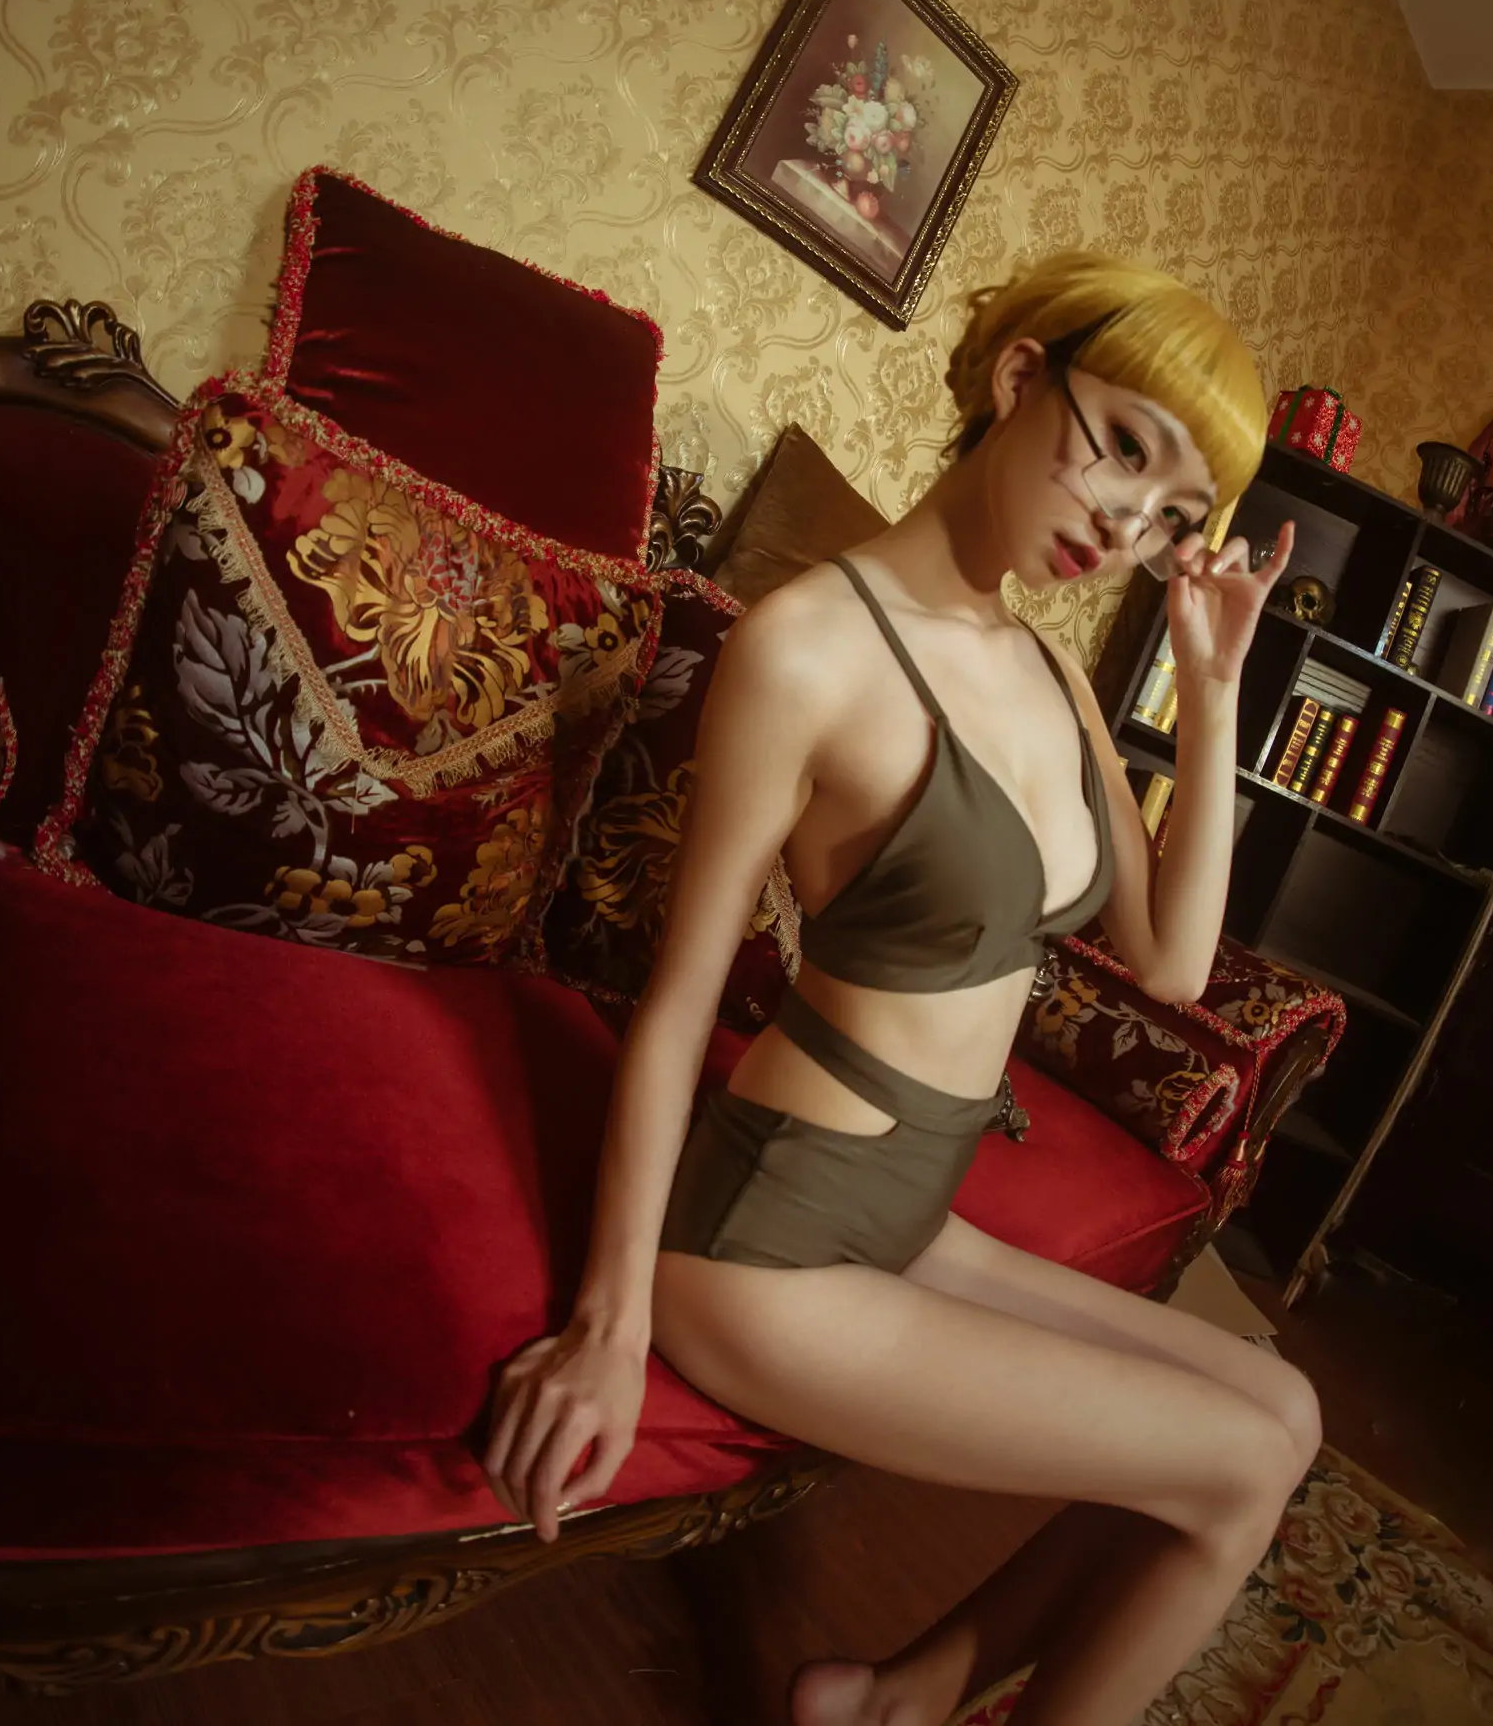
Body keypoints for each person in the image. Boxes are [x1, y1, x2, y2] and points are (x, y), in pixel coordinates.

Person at [482, 251, 1313, 1726]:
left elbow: (1173, 964)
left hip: (911, 1219)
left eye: (1175, 514)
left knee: (1285, 1411)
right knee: (1238, 1463)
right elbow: (676, 1005)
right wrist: (610, 1327)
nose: (1127, 523)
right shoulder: (809, 648)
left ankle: (893, 1702)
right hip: (767, 1249)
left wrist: (1212, 689)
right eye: (1125, 450)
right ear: (1022, 377)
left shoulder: (1056, 679)